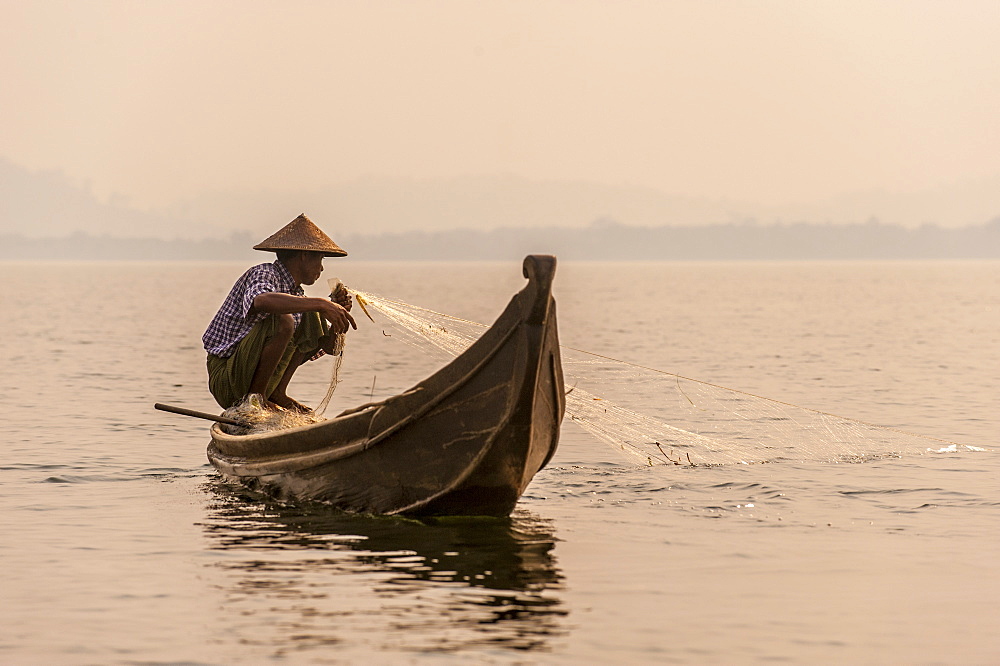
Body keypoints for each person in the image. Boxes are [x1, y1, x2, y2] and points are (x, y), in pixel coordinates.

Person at [202, 214, 356, 412]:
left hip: (253, 378)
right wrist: (321, 303)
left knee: (308, 312)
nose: (322, 268)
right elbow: (262, 300)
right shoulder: (264, 273)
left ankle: (276, 393)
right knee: (287, 317)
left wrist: (338, 315)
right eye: (320, 259)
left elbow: (330, 347)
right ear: (304, 256)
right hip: (228, 376)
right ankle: (255, 400)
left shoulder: (297, 294)